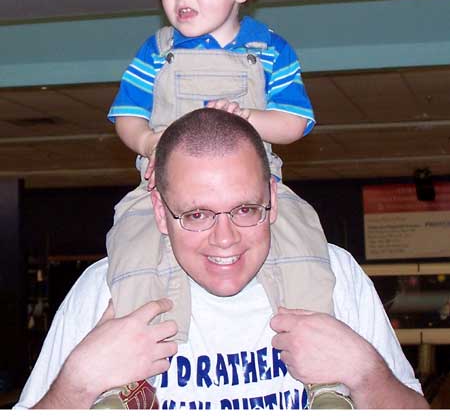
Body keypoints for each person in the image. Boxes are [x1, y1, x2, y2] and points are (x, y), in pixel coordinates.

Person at [15, 109, 428, 410]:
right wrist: (78, 383)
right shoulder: (103, 289)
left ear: (272, 199)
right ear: (160, 212)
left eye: (246, 209)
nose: (225, 239)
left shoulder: (336, 274)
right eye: (197, 215)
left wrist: (366, 373)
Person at [106, 0, 334, 339]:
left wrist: (249, 118)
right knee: (129, 249)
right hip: (160, 190)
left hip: (256, 193)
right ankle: (135, 371)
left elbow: (294, 123)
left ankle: (318, 361)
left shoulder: (268, 49)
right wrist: (149, 142)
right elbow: (126, 118)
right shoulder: (157, 52)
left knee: (304, 242)